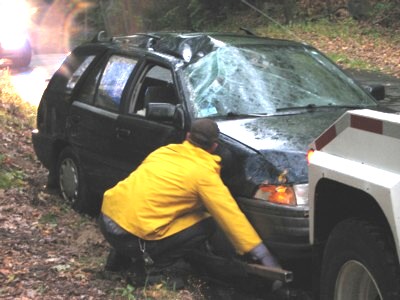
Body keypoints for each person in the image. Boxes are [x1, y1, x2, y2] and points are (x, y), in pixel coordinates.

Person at [98, 118, 281, 285]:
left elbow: (147, 195)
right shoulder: (203, 174)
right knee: (207, 221)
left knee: (142, 210)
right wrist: (264, 256)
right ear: (213, 147)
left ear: (187, 136)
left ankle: (118, 261)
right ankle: (155, 271)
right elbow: (231, 217)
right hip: (131, 238)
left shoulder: (164, 152)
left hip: (106, 220)